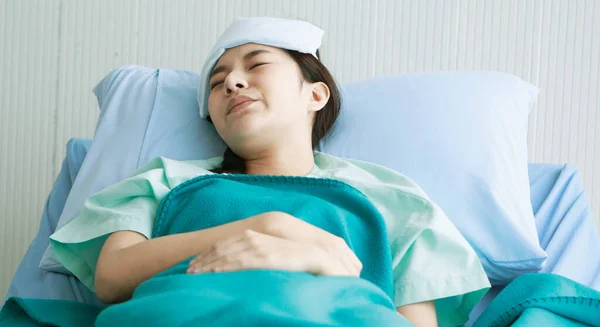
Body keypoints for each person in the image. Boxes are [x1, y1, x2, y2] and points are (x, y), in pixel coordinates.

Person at [50, 17, 490, 327]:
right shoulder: (165, 180)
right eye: (218, 82)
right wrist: (267, 227)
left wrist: (324, 264)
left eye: (256, 65)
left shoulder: (394, 198)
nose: (232, 83)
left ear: (315, 94)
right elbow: (112, 276)